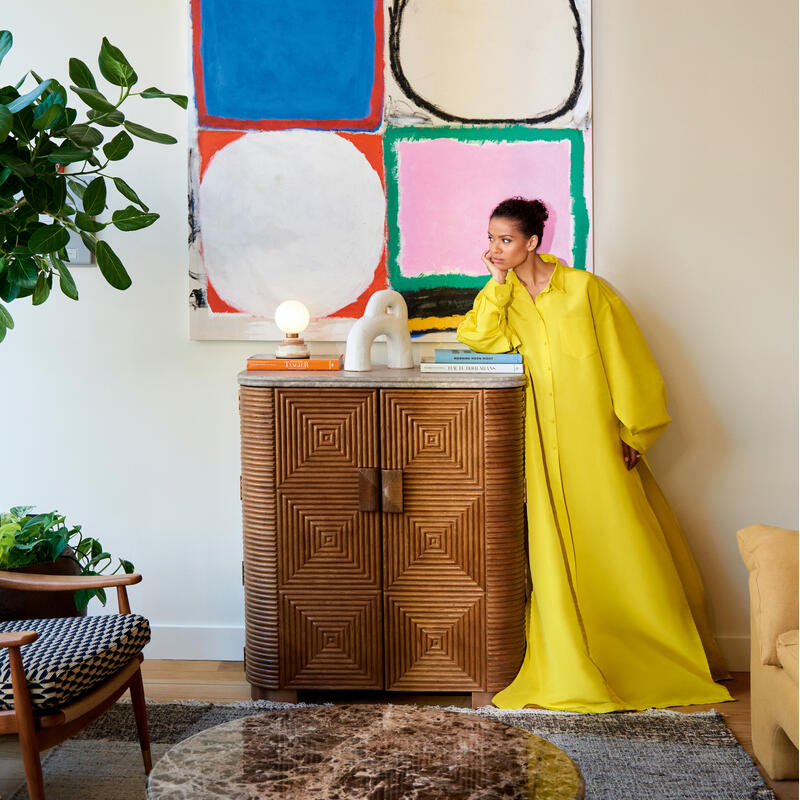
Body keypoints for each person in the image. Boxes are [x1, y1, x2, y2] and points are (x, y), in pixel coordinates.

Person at [457, 197, 732, 712]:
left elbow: (627, 357)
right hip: (540, 447)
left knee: (620, 538)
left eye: (505, 240)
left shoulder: (586, 290)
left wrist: (635, 431)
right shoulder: (505, 297)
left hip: (595, 438)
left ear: (533, 242)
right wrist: (495, 285)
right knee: (553, 547)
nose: (492, 249)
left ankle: (652, 652)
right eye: (491, 238)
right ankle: (573, 657)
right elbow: (477, 337)